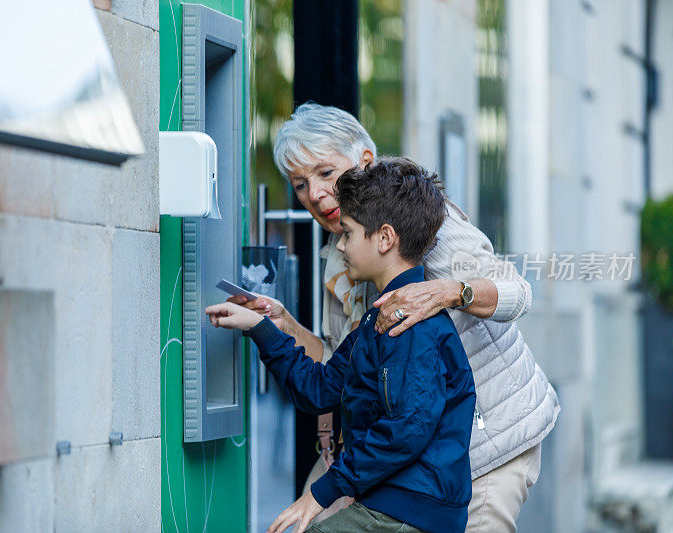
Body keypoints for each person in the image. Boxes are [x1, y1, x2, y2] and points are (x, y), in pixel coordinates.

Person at [229, 103, 560, 532]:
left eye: (325, 173)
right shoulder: (343, 253)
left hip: (488, 441)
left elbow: (518, 293)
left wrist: (446, 292)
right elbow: (337, 368)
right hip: (398, 455)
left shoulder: (423, 224)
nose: (313, 194)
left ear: (365, 162)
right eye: (299, 184)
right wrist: (280, 324)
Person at [207, 158, 476, 533]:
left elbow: (408, 428)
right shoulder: (376, 319)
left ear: (384, 238)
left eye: (347, 233)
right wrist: (261, 328)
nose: (342, 246)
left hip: (408, 510)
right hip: (388, 503)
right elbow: (319, 390)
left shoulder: (413, 325)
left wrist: (320, 494)